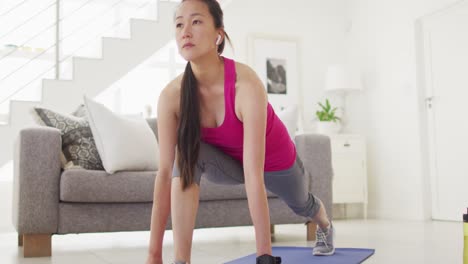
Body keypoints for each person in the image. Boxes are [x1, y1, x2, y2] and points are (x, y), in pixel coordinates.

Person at [145, 1, 335, 263]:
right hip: (230, 165)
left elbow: (254, 173)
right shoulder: (171, 96)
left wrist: (264, 255)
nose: (185, 31)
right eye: (179, 24)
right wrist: (153, 255)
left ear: (218, 34)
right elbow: (165, 174)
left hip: (278, 163)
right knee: (186, 156)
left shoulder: (246, 84)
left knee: (302, 204)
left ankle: (325, 225)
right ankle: (182, 260)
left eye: (196, 21)